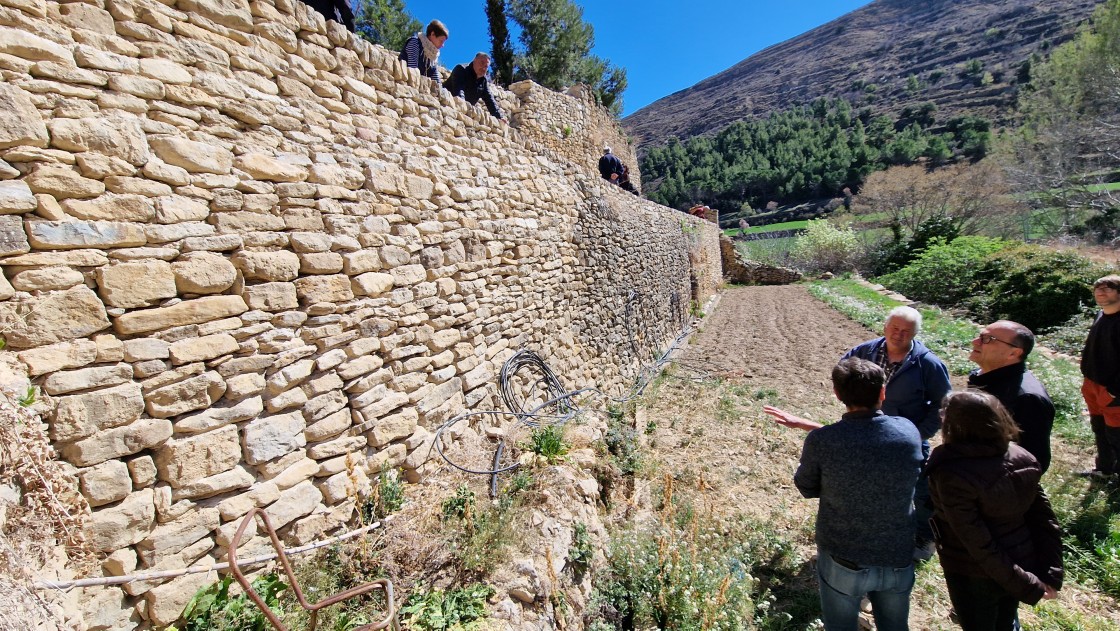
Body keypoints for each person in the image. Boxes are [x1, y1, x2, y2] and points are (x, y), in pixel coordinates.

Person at [765, 358, 923, 631]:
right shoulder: (908, 432)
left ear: (837, 394)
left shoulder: (823, 442)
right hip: (897, 553)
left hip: (843, 557)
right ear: (882, 393)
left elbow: (806, 487)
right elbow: (868, 437)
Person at [927, 391, 1062, 631]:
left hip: (971, 573)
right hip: (1018, 562)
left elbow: (977, 542)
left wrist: (1028, 584)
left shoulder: (953, 473)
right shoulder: (1023, 457)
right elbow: (1045, 520)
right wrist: (1048, 574)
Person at [842, 306, 951, 559]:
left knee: (921, 489)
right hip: (866, 432)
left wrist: (919, 434)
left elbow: (943, 404)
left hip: (908, 440)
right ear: (885, 327)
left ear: (914, 334)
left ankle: (924, 538)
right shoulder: (864, 352)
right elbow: (843, 375)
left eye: (906, 331)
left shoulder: (928, 364)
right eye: (895, 329)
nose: (899, 335)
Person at [967, 320, 1055, 472]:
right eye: (980, 336)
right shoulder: (983, 377)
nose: (975, 342)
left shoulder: (1028, 398)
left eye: (987, 339)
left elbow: (1034, 460)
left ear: (1014, 353)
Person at [1080, 274, 1120, 478]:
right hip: (1092, 384)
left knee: (1117, 435)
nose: (1100, 292)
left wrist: (1114, 392)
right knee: (1100, 429)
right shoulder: (1101, 314)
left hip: (1112, 390)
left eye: (1107, 288)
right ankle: (1104, 470)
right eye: (1098, 289)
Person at [443, 53, 504, 121]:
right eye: (481, 63)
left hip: (464, 114)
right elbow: (459, 91)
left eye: (486, 66)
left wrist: (500, 117)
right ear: (474, 60)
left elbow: (490, 100)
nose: (483, 68)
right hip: (447, 107)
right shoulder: (461, 69)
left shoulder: (483, 81)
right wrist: (464, 107)